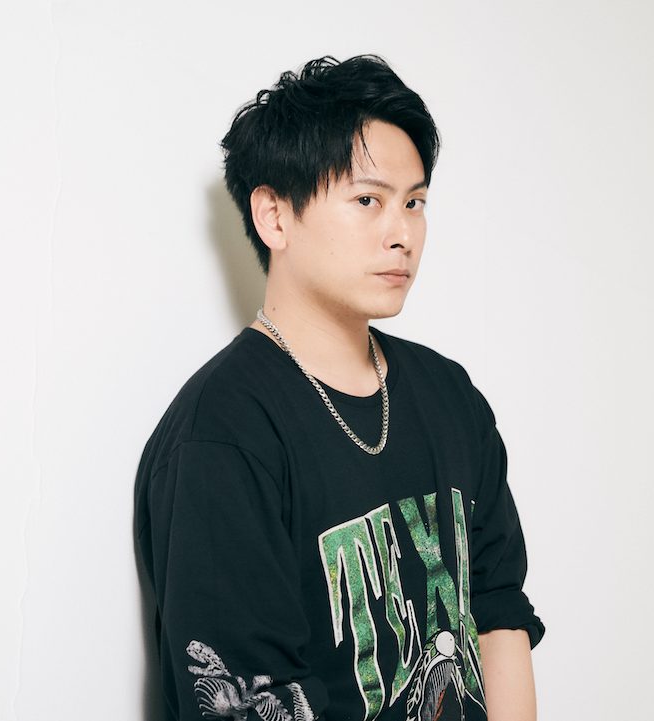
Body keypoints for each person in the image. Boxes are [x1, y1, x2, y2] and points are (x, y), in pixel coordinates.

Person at [135, 54, 545, 721]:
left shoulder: (449, 396)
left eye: (414, 203)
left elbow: (498, 612)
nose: (402, 234)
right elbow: (251, 699)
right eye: (367, 200)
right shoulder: (223, 434)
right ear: (274, 216)